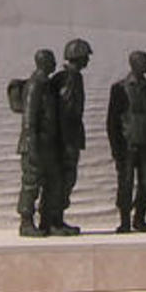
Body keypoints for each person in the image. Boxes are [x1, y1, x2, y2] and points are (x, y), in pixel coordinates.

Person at [107, 50, 146, 233]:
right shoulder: (119, 88)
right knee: (126, 184)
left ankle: (140, 218)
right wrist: (115, 147)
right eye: (144, 61)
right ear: (133, 64)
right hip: (127, 144)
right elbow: (112, 121)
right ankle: (125, 220)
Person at [15, 49, 62, 237]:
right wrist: (31, 144)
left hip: (47, 143)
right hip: (35, 143)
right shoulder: (35, 84)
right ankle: (26, 222)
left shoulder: (46, 84)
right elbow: (29, 117)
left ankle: (47, 221)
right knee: (31, 183)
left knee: (52, 181)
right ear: (43, 63)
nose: (55, 63)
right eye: (52, 60)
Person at [51, 38, 92, 235]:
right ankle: (54, 220)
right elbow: (68, 109)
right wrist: (67, 139)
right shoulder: (71, 78)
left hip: (66, 137)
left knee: (64, 178)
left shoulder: (66, 76)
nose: (88, 61)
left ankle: (55, 218)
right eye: (86, 57)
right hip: (67, 138)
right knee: (65, 178)